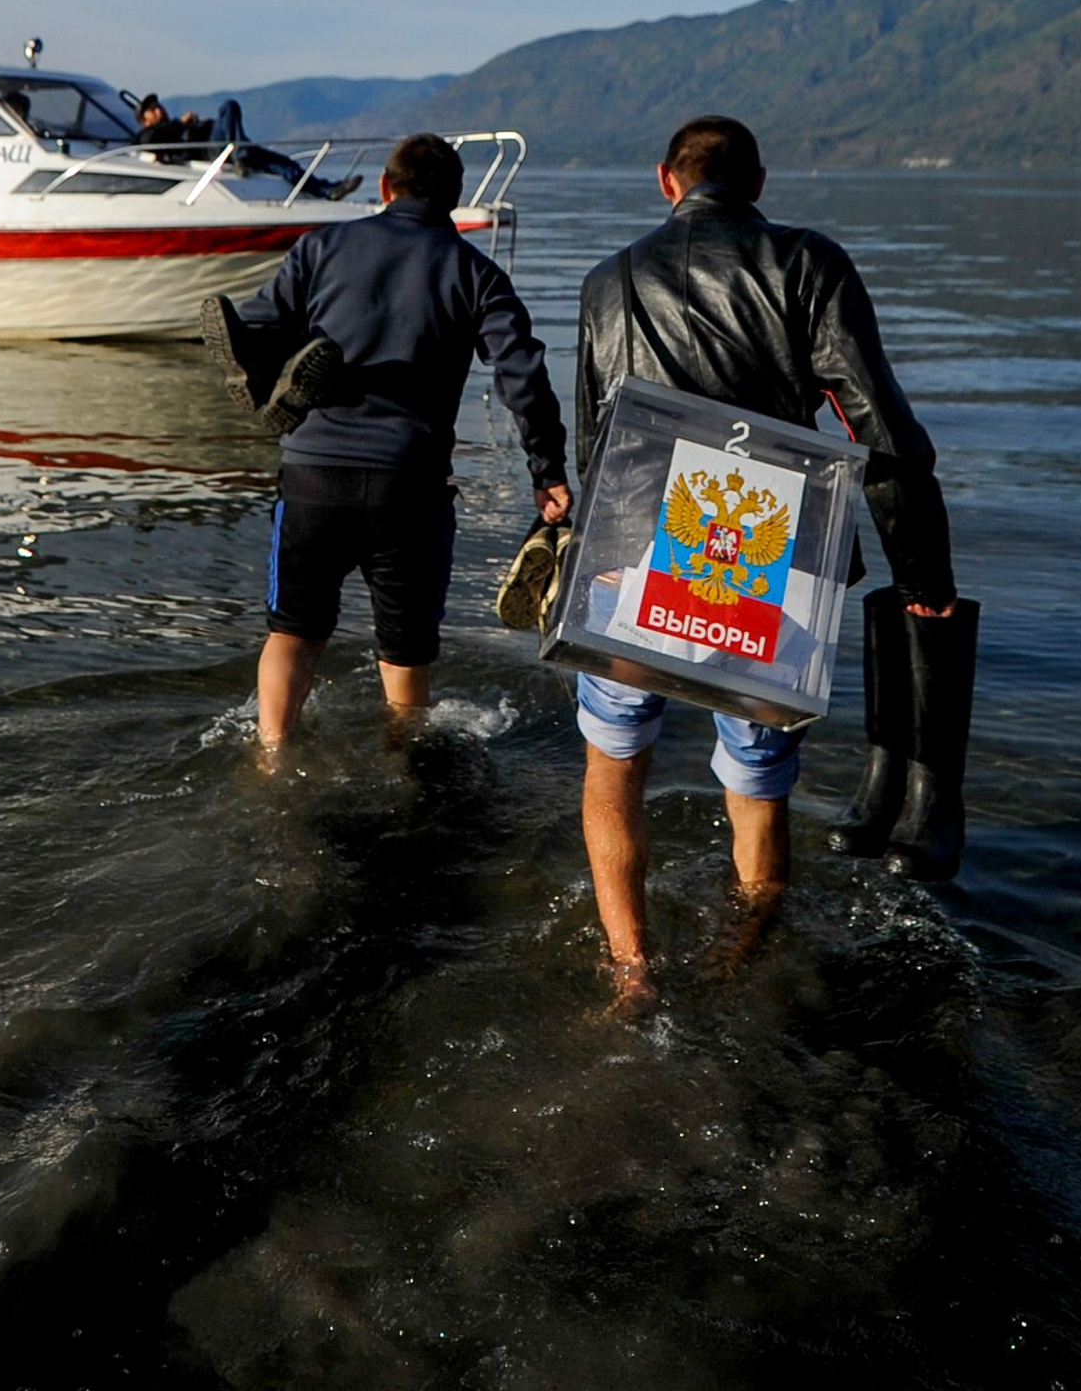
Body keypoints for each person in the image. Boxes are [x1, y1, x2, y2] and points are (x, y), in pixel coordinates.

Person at [574, 114, 964, 1006]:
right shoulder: (807, 263)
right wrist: (923, 582)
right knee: (755, 777)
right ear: (758, 184)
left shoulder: (608, 280)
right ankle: (743, 960)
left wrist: (574, 553)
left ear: (665, 182)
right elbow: (883, 432)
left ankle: (631, 971)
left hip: (633, 548)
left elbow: (595, 432)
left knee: (615, 759)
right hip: (764, 546)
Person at [222, 132, 571, 759]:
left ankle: (272, 758)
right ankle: (402, 764)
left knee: (294, 635)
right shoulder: (476, 273)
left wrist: (263, 359)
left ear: (386, 188)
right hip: (409, 485)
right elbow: (523, 374)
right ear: (455, 199)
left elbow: (261, 323)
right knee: (405, 650)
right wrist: (546, 469)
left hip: (313, 474)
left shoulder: (320, 247)